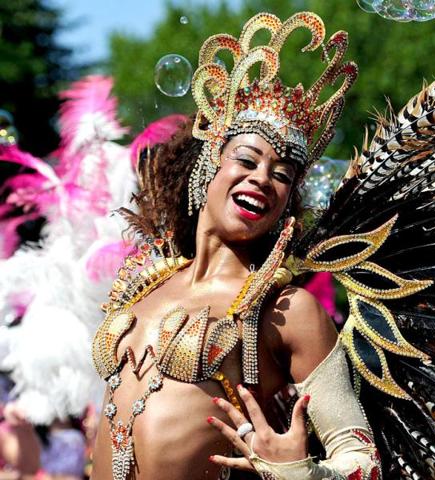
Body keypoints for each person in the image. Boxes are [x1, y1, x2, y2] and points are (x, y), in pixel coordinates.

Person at [90, 11, 379, 480]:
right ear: (209, 164)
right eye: (246, 158)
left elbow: (361, 460)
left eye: (283, 175)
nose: (262, 178)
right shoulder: (146, 284)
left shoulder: (287, 310)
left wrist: (297, 470)